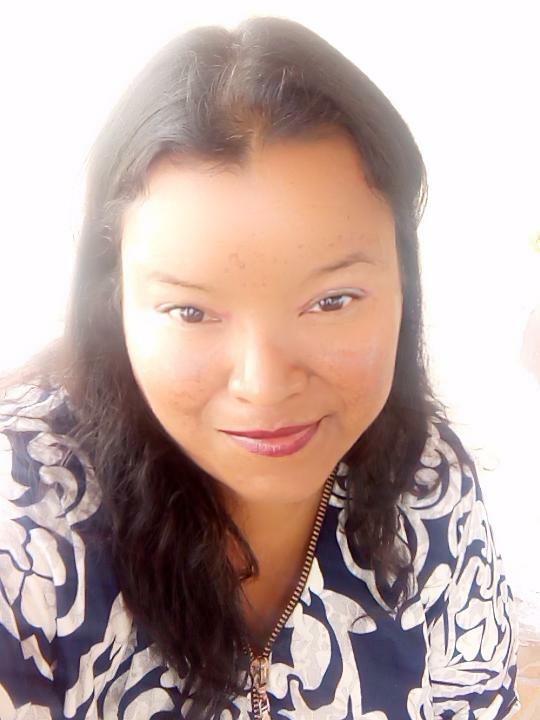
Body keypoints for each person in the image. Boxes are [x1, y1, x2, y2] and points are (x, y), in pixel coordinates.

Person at [0, 15, 520, 720]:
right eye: (191, 311)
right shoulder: (24, 520)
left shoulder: (430, 488)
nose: (265, 384)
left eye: (331, 301)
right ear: (113, 302)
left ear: (404, 285)